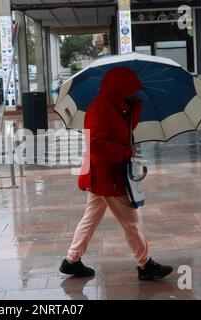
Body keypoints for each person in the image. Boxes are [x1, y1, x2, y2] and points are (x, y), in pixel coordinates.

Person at [59, 67, 173, 281]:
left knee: (90, 219)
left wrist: (134, 106)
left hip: (104, 176)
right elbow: (95, 144)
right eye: (131, 90)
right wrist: (124, 151)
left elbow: (125, 130)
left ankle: (71, 261)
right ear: (119, 89)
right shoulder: (101, 109)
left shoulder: (117, 107)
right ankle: (145, 264)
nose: (135, 94)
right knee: (131, 221)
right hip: (106, 177)